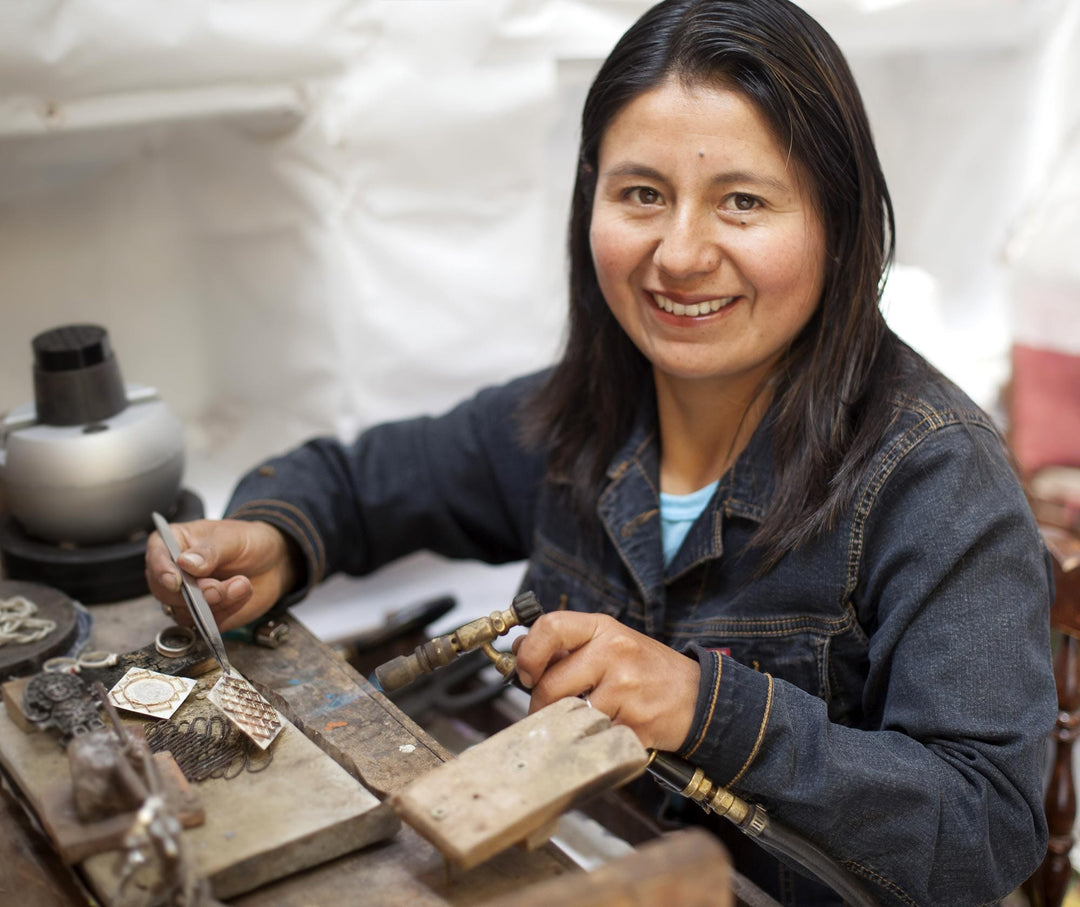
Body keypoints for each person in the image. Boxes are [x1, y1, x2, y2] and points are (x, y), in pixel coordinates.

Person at [145, 1, 1056, 903]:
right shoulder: (580, 413)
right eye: (642, 195)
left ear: (839, 221)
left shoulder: (937, 478)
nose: (680, 252)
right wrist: (276, 537)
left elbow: (985, 832)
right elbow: (357, 483)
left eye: (742, 201)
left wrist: (709, 709)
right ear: (592, 202)